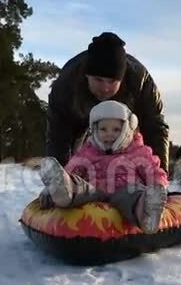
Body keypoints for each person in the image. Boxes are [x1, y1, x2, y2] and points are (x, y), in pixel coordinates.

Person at [45, 31, 170, 173]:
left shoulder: (140, 82)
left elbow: (156, 129)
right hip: (79, 119)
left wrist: (160, 179)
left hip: (124, 123)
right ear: (87, 76)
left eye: (112, 81)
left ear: (122, 80)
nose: (105, 88)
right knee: (79, 159)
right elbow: (57, 136)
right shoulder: (66, 84)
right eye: (98, 80)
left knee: (135, 150)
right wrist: (58, 178)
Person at [39, 100, 169, 234]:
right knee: (81, 186)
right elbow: (73, 169)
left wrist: (157, 185)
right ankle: (62, 191)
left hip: (125, 191)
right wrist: (59, 182)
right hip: (95, 191)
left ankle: (146, 211)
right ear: (94, 130)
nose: (109, 134)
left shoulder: (138, 151)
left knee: (134, 194)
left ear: (127, 129)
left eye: (116, 129)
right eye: (103, 129)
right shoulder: (88, 151)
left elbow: (153, 171)